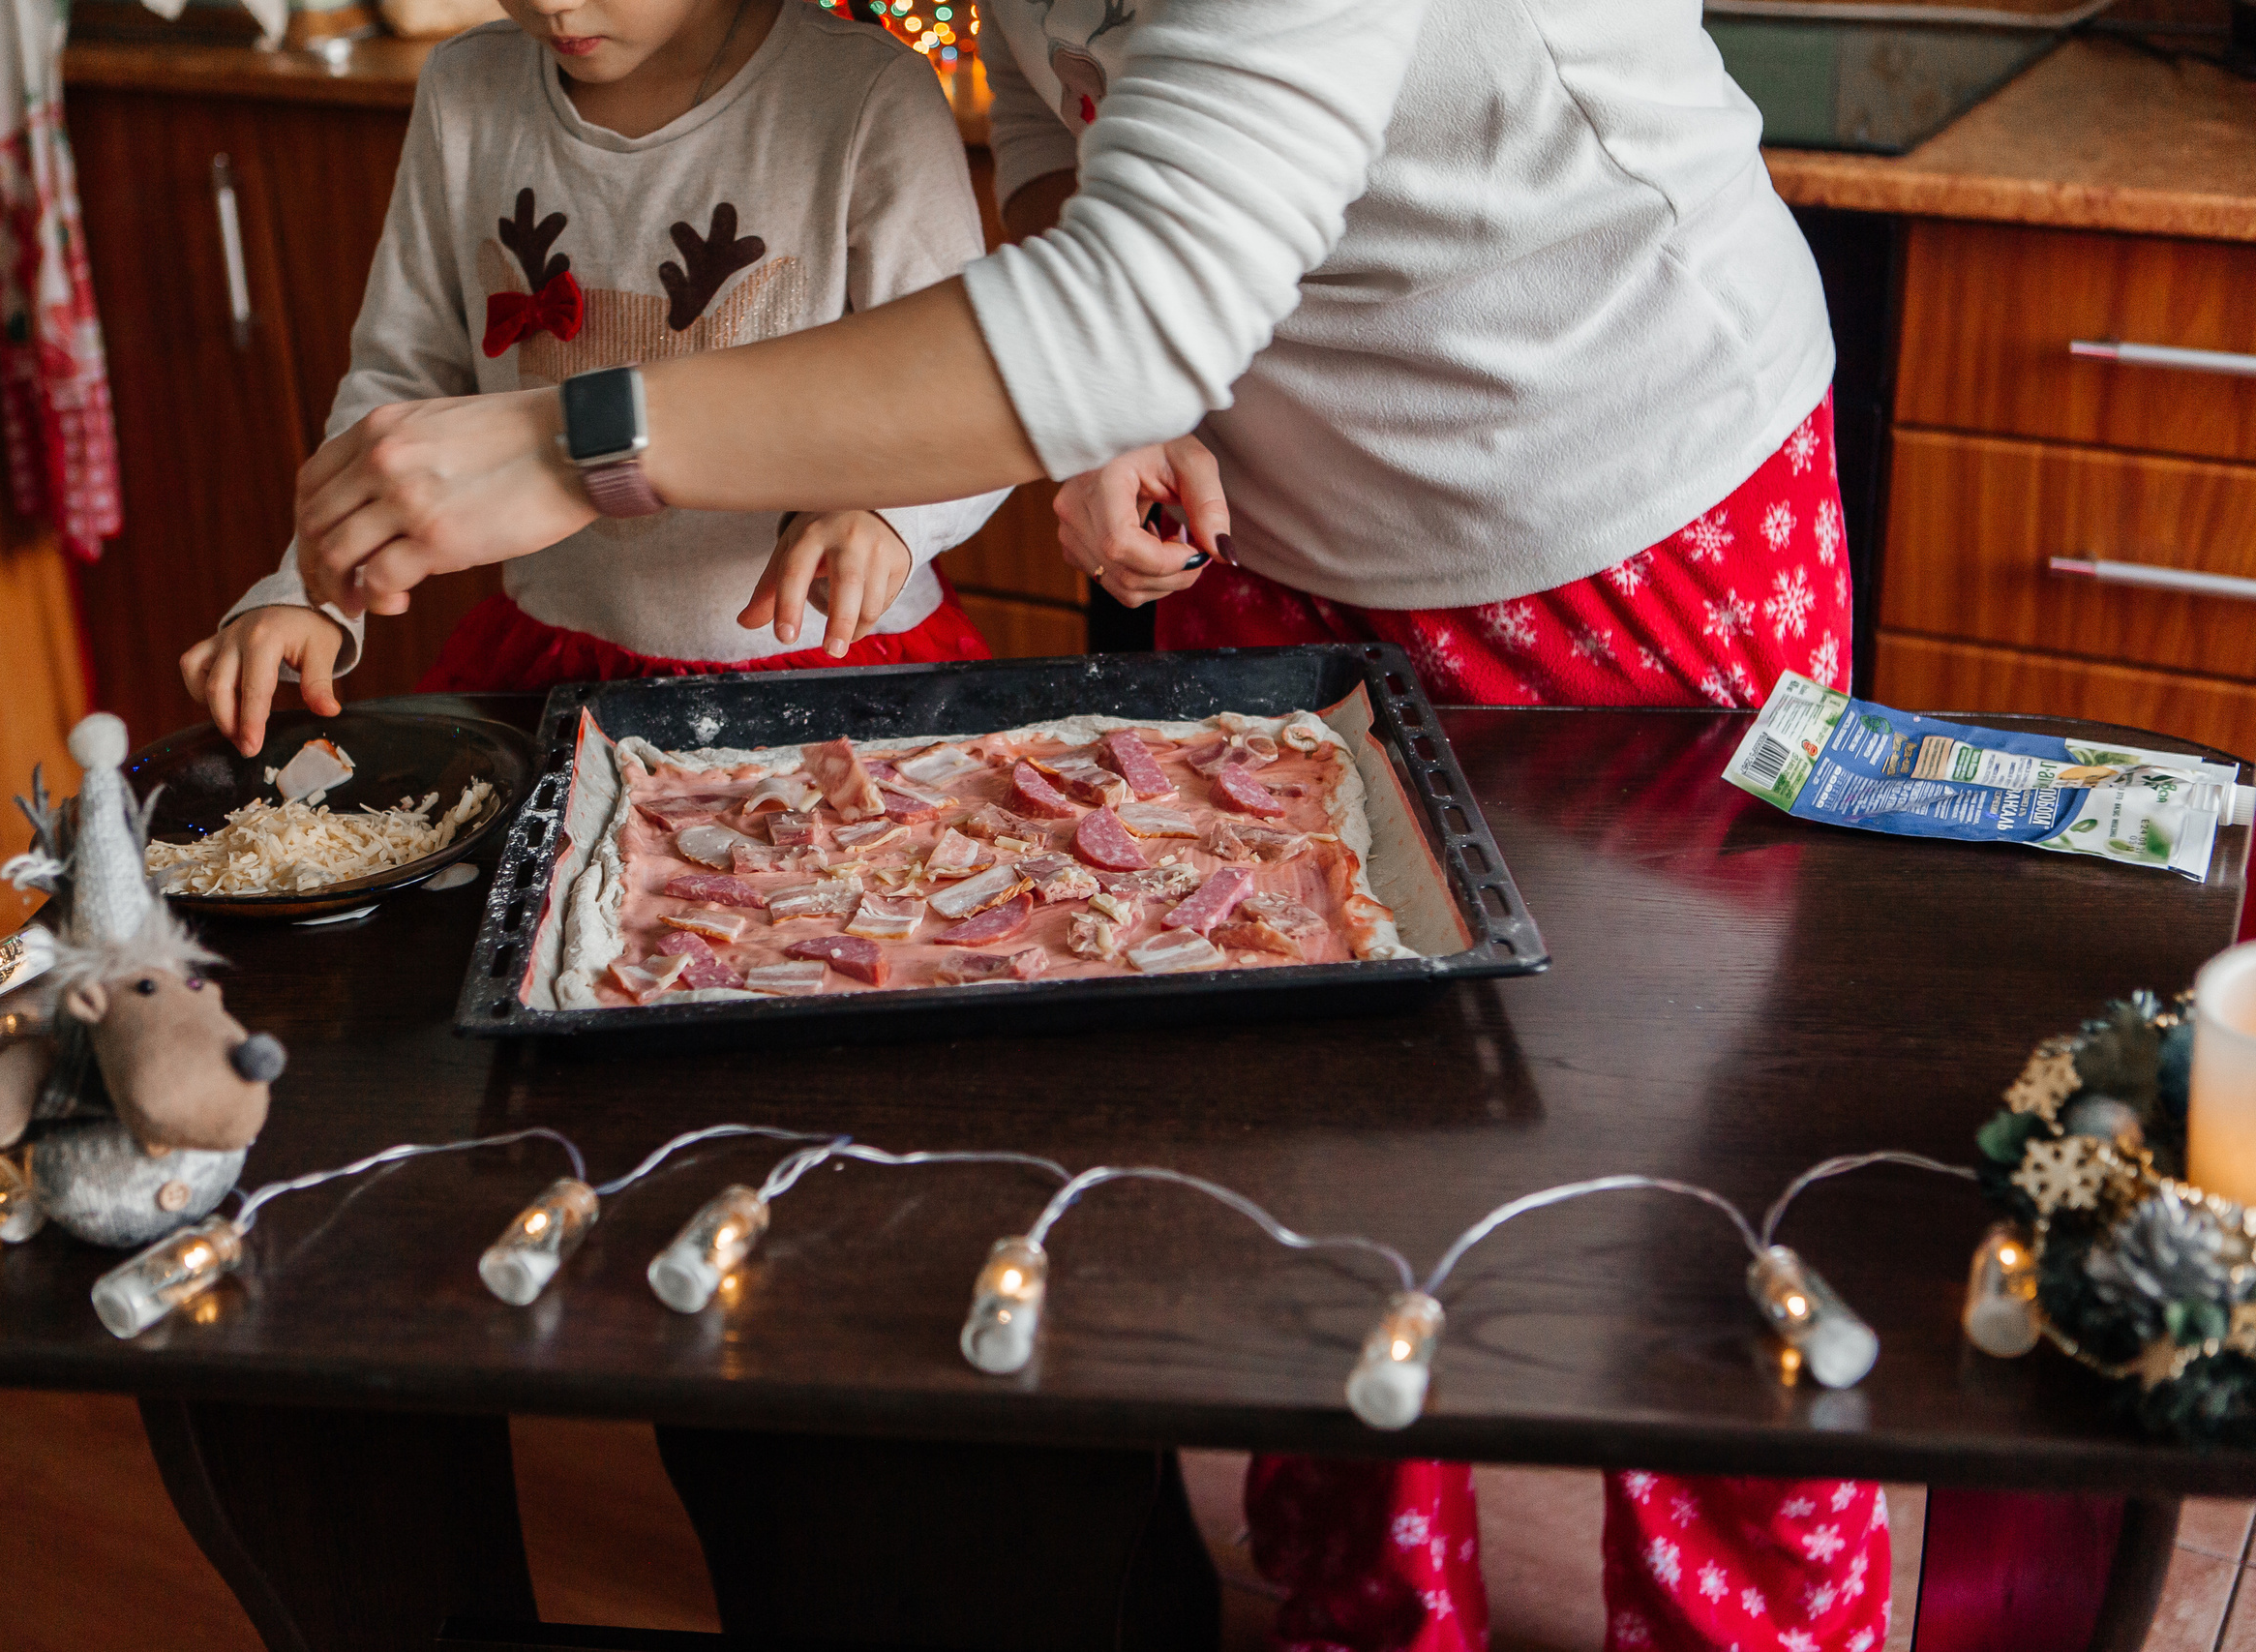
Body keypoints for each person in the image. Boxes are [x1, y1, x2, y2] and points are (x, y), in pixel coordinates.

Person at [277, 1, 1881, 1645]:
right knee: (1321, 1167)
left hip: (1618, 502)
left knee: (1681, 1207)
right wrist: (1115, 412)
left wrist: (579, 436)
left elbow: (1136, 301)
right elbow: (1069, 119)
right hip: (1270, 518)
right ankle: (1369, 1613)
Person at [180, 0, 1007, 756]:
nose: (550, 5)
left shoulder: (865, 95)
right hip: (554, 665)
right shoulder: (466, 87)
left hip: (833, 671)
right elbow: (400, 382)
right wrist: (309, 587)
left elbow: (975, 397)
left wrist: (888, 515)